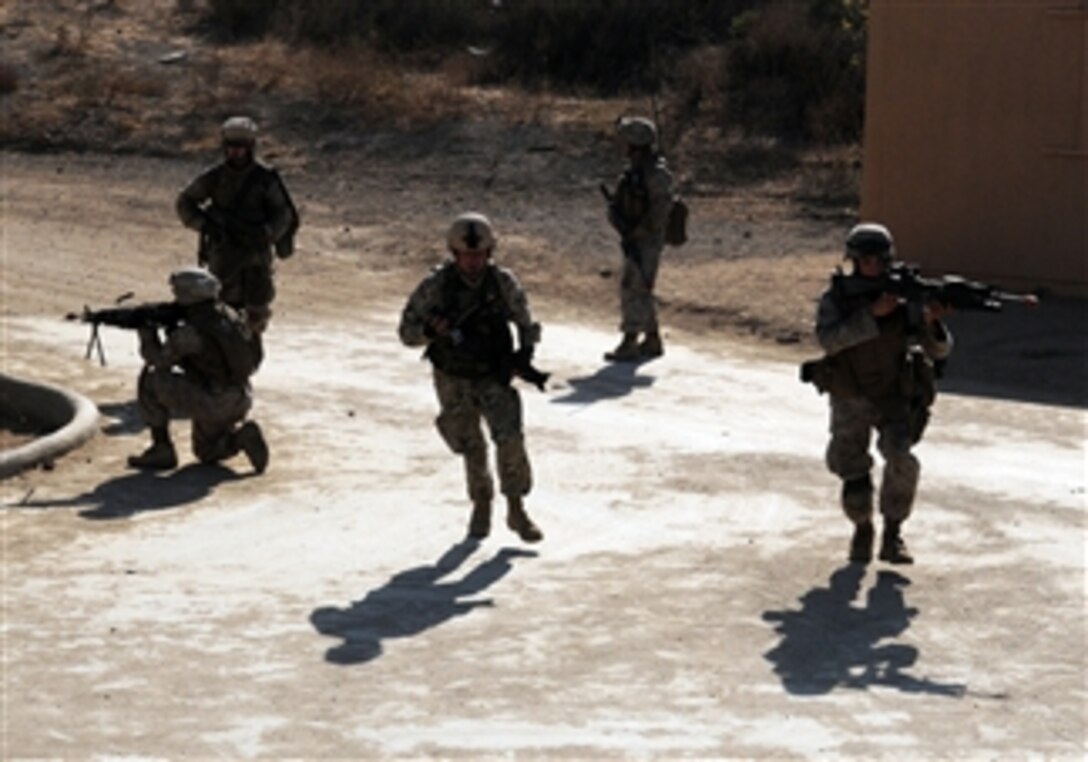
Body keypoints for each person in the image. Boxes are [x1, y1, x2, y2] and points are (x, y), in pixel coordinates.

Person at [398, 212, 544, 543]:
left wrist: (525, 354)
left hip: (493, 372)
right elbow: (406, 332)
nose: (474, 262)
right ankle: (481, 503)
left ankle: (516, 507)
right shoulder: (436, 286)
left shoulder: (502, 282)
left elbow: (526, 321)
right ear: (455, 254)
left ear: (489, 253)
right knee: (469, 443)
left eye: (479, 255)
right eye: (467, 255)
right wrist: (429, 332)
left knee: (509, 436)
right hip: (453, 375)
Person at [814, 223, 953, 564]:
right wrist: (871, 317)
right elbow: (829, 340)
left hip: (893, 394)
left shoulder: (907, 297)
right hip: (850, 394)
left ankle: (893, 534)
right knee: (852, 468)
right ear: (853, 260)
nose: (872, 265)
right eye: (864, 259)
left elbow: (939, 351)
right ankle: (862, 529)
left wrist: (933, 322)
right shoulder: (838, 298)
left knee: (901, 459)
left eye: (878, 259)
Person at [127, 267, 268, 474]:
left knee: (151, 378)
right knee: (206, 452)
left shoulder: (191, 332)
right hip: (239, 396)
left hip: (214, 400)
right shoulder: (230, 316)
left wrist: (146, 333)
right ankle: (241, 437)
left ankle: (161, 448)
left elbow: (158, 360)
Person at [176, 116, 297, 336]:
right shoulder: (214, 177)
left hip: (256, 259)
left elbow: (283, 212)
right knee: (220, 315)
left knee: (255, 318)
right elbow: (185, 202)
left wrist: (267, 233)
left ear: (250, 148)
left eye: (241, 148)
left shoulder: (264, 179)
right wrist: (206, 226)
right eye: (231, 147)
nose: (236, 153)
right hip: (223, 256)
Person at [603, 115, 674, 362]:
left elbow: (660, 211)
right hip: (636, 237)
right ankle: (652, 338)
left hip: (647, 240)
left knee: (633, 287)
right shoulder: (635, 171)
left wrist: (640, 231)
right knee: (641, 286)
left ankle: (630, 340)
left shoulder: (656, 174)